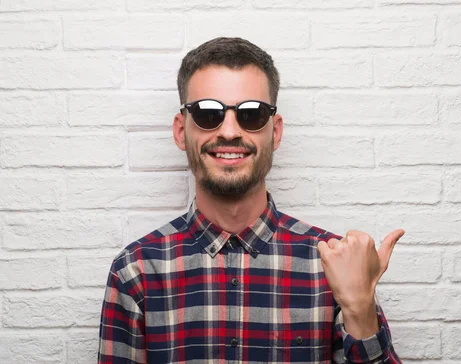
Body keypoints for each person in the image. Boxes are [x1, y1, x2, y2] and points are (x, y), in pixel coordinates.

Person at [98, 37, 404, 364]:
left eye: (252, 114)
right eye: (207, 112)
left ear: (274, 131)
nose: (229, 131)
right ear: (180, 130)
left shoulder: (334, 265)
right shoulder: (136, 271)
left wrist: (359, 308)